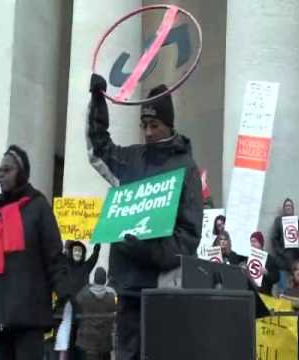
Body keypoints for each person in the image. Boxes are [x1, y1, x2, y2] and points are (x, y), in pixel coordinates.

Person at [88, 74, 203, 360]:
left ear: (169, 124)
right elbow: (99, 149)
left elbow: (189, 236)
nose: (148, 132)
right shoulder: (131, 158)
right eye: (144, 126)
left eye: (154, 125)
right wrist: (98, 104)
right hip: (127, 287)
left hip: (163, 289)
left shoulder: (186, 168)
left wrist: (150, 251)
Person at [0, 145, 68, 360]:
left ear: (21, 172)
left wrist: (65, 293)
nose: (1, 175)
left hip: (28, 314)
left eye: (7, 170)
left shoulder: (38, 206)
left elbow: (53, 254)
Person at [55, 241, 101, 359]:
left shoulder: (85, 267)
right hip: (66, 310)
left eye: (80, 251)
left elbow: (94, 258)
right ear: (70, 252)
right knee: (66, 343)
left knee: (80, 345)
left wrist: (97, 247)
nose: (77, 253)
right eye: (75, 250)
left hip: (82, 312)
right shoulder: (65, 265)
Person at [75, 267, 116, 360]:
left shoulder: (85, 294)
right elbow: (115, 308)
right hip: (104, 343)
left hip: (88, 342)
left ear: (94, 278)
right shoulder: (110, 297)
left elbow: (76, 301)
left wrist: (88, 286)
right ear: (105, 280)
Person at [271, 198, 299, 293]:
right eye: (286, 206)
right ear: (283, 208)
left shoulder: (297, 221)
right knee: (282, 289)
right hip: (282, 261)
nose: (288, 207)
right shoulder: (278, 221)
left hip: (294, 260)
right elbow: (274, 239)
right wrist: (281, 252)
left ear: (293, 208)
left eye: (290, 206)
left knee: (294, 290)